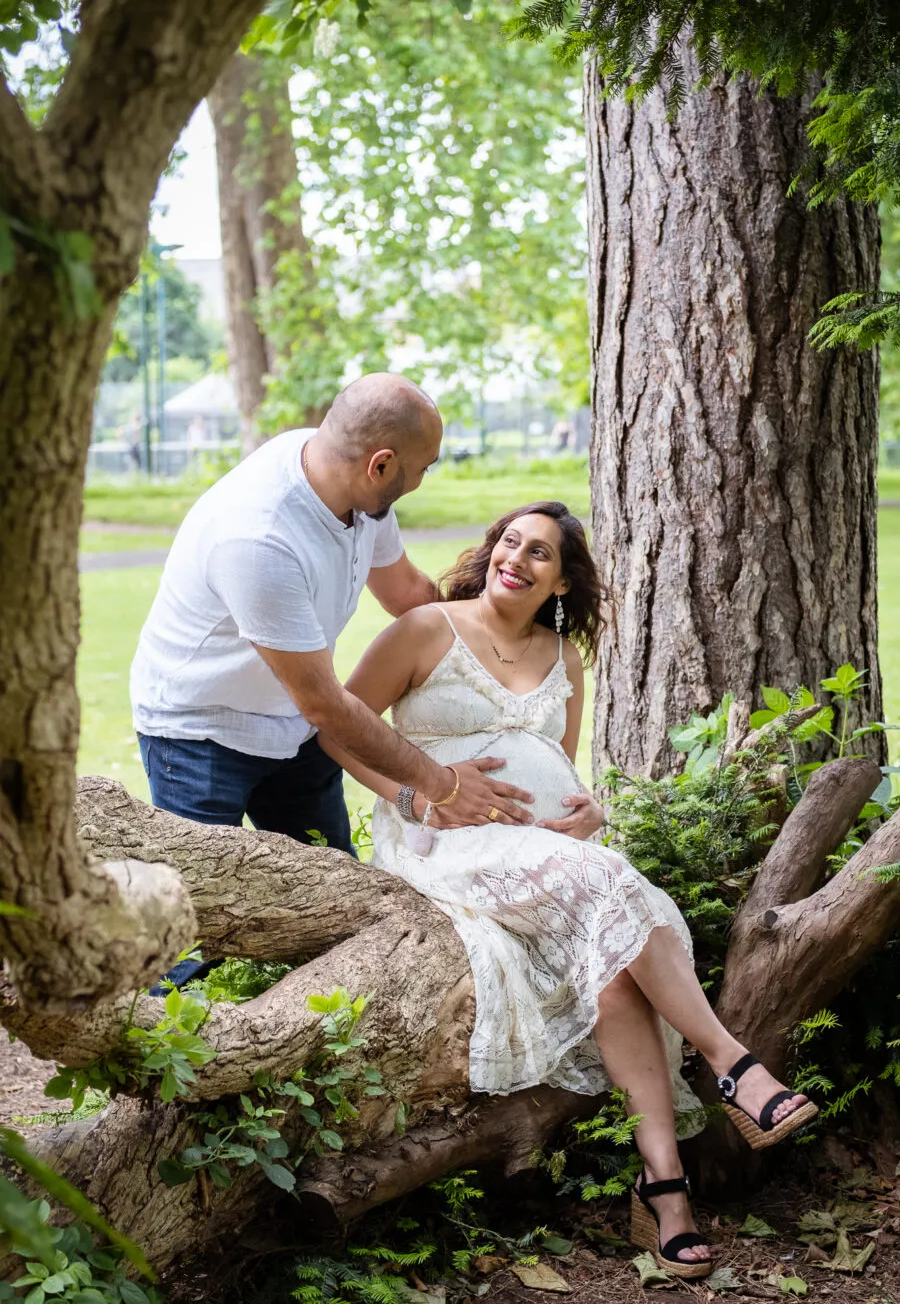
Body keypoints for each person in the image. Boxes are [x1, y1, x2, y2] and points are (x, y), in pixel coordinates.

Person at [318, 501, 818, 1280]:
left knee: (614, 971)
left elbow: (561, 768)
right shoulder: (425, 629)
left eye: (539, 552)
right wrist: (416, 796)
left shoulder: (564, 658)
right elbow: (337, 728)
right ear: (490, 552)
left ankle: (664, 1189)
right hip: (444, 844)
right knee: (616, 885)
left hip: (547, 854)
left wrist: (592, 811)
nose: (517, 558)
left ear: (560, 581)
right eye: (509, 542)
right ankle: (731, 1062)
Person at [130, 374, 535, 986]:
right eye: (422, 468)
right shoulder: (260, 537)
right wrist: (441, 784)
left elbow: (407, 594)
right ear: (381, 464)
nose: (423, 480)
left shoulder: (353, 487)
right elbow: (324, 703)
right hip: (199, 733)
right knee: (192, 928)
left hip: (292, 727)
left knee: (335, 897)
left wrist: (497, 641)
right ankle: (156, 1041)